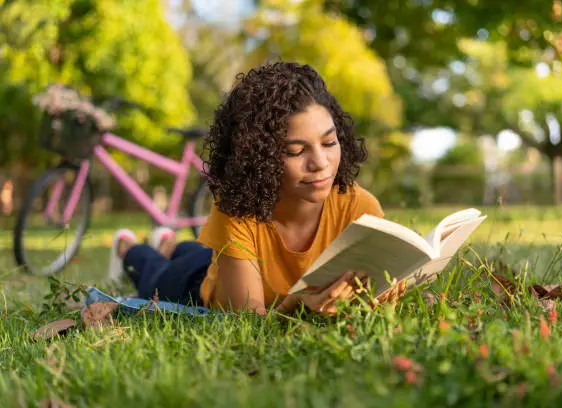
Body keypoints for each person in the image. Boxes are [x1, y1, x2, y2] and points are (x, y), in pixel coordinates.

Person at [108, 62, 405, 315]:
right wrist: (298, 305)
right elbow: (249, 322)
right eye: (296, 151)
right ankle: (127, 247)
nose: (320, 163)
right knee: (153, 274)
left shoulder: (360, 207)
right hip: (196, 285)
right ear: (260, 157)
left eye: (329, 143)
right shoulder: (237, 209)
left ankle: (170, 244)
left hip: (224, 258)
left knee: (193, 251)